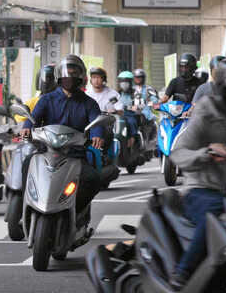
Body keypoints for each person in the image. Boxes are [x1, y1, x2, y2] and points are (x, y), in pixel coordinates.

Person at [168, 57, 226, 289]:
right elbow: (177, 154)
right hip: (202, 189)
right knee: (218, 215)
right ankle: (183, 273)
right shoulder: (205, 117)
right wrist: (206, 152)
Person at [20, 55, 105, 215]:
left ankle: (76, 210)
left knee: (93, 179)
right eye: (66, 73)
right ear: (59, 76)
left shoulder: (89, 103)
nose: (69, 77)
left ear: (81, 77)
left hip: (76, 154)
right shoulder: (47, 99)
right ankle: (27, 206)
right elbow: (34, 116)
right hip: (46, 151)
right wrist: (27, 126)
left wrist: (97, 135)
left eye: (74, 73)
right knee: (27, 165)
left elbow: (97, 122)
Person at [116, 71, 140, 143]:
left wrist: (135, 107)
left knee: (131, 122)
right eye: (122, 82)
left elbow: (139, 105)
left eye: (126, 82)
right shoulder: (117, 93)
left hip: (129, 114)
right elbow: (111, 103)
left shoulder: (136, 93)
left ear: (131, 82)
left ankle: (132, 139)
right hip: (118, 114)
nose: (124, 84)